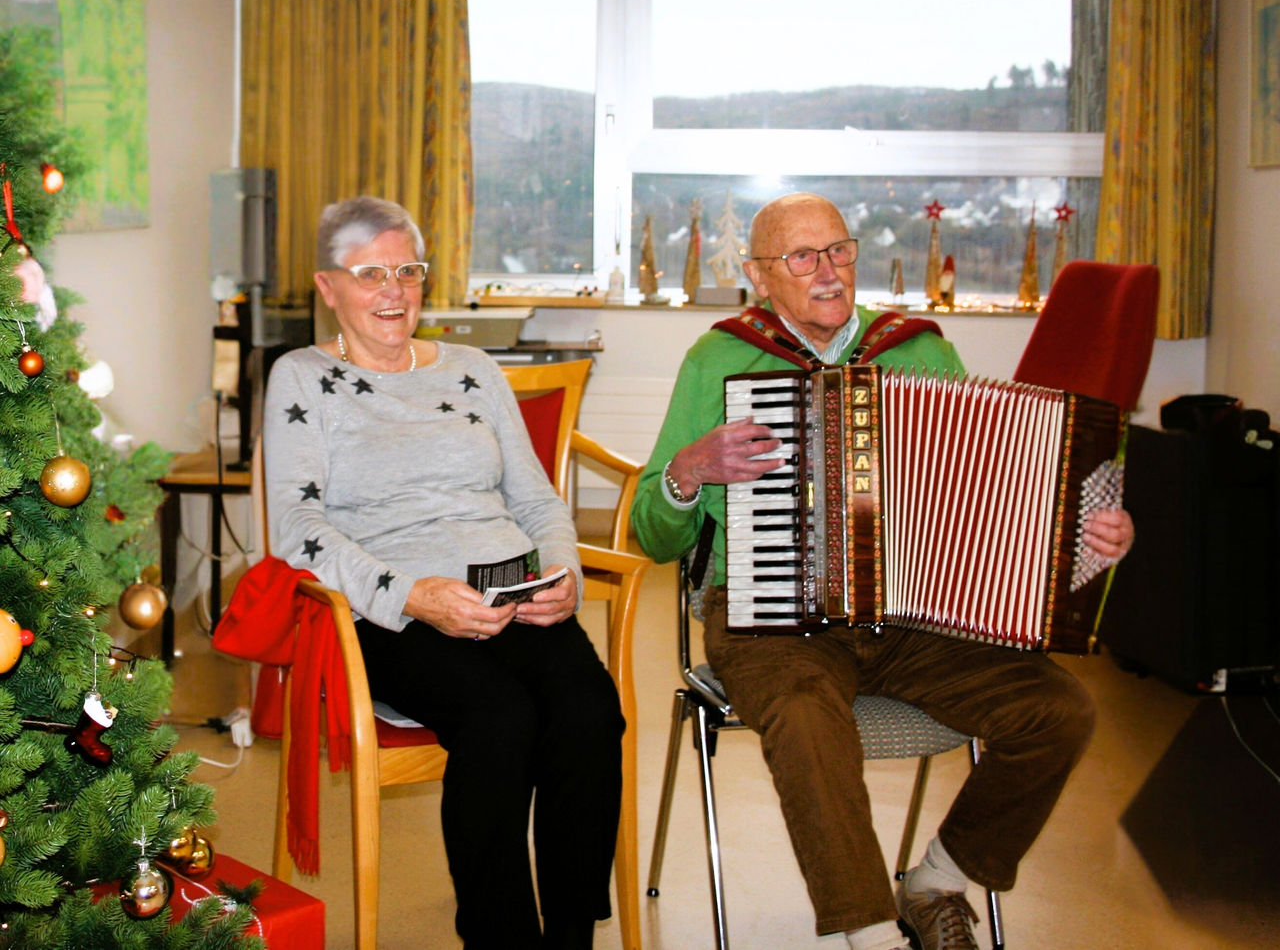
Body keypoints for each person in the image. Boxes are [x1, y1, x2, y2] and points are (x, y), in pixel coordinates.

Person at [631, 192, 1135, 950]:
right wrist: (687, 471)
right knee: (804, 716)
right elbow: (650, 529)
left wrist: (1087, 537)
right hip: (772, 613)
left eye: (839, 250)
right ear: (759, 276)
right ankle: (869, 928)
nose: (829, 272)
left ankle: (936, 877)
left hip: (914, 617)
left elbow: (994, 497)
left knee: (1058, 709)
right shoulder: (719, 358)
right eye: (802, 257)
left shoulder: (919, 349)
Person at [263, 196, 623, 950]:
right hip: (392, 608)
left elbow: (533, 496)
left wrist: (561, 569)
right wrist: (412, 596)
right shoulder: (301, 378)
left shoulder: (473, 368)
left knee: (589, 710)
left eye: (407, 271)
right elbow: (297, 530)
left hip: (511, 587)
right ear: (327, 287)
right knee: (500, 718)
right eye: (370, 274)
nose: (394, 291)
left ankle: (570, 936)